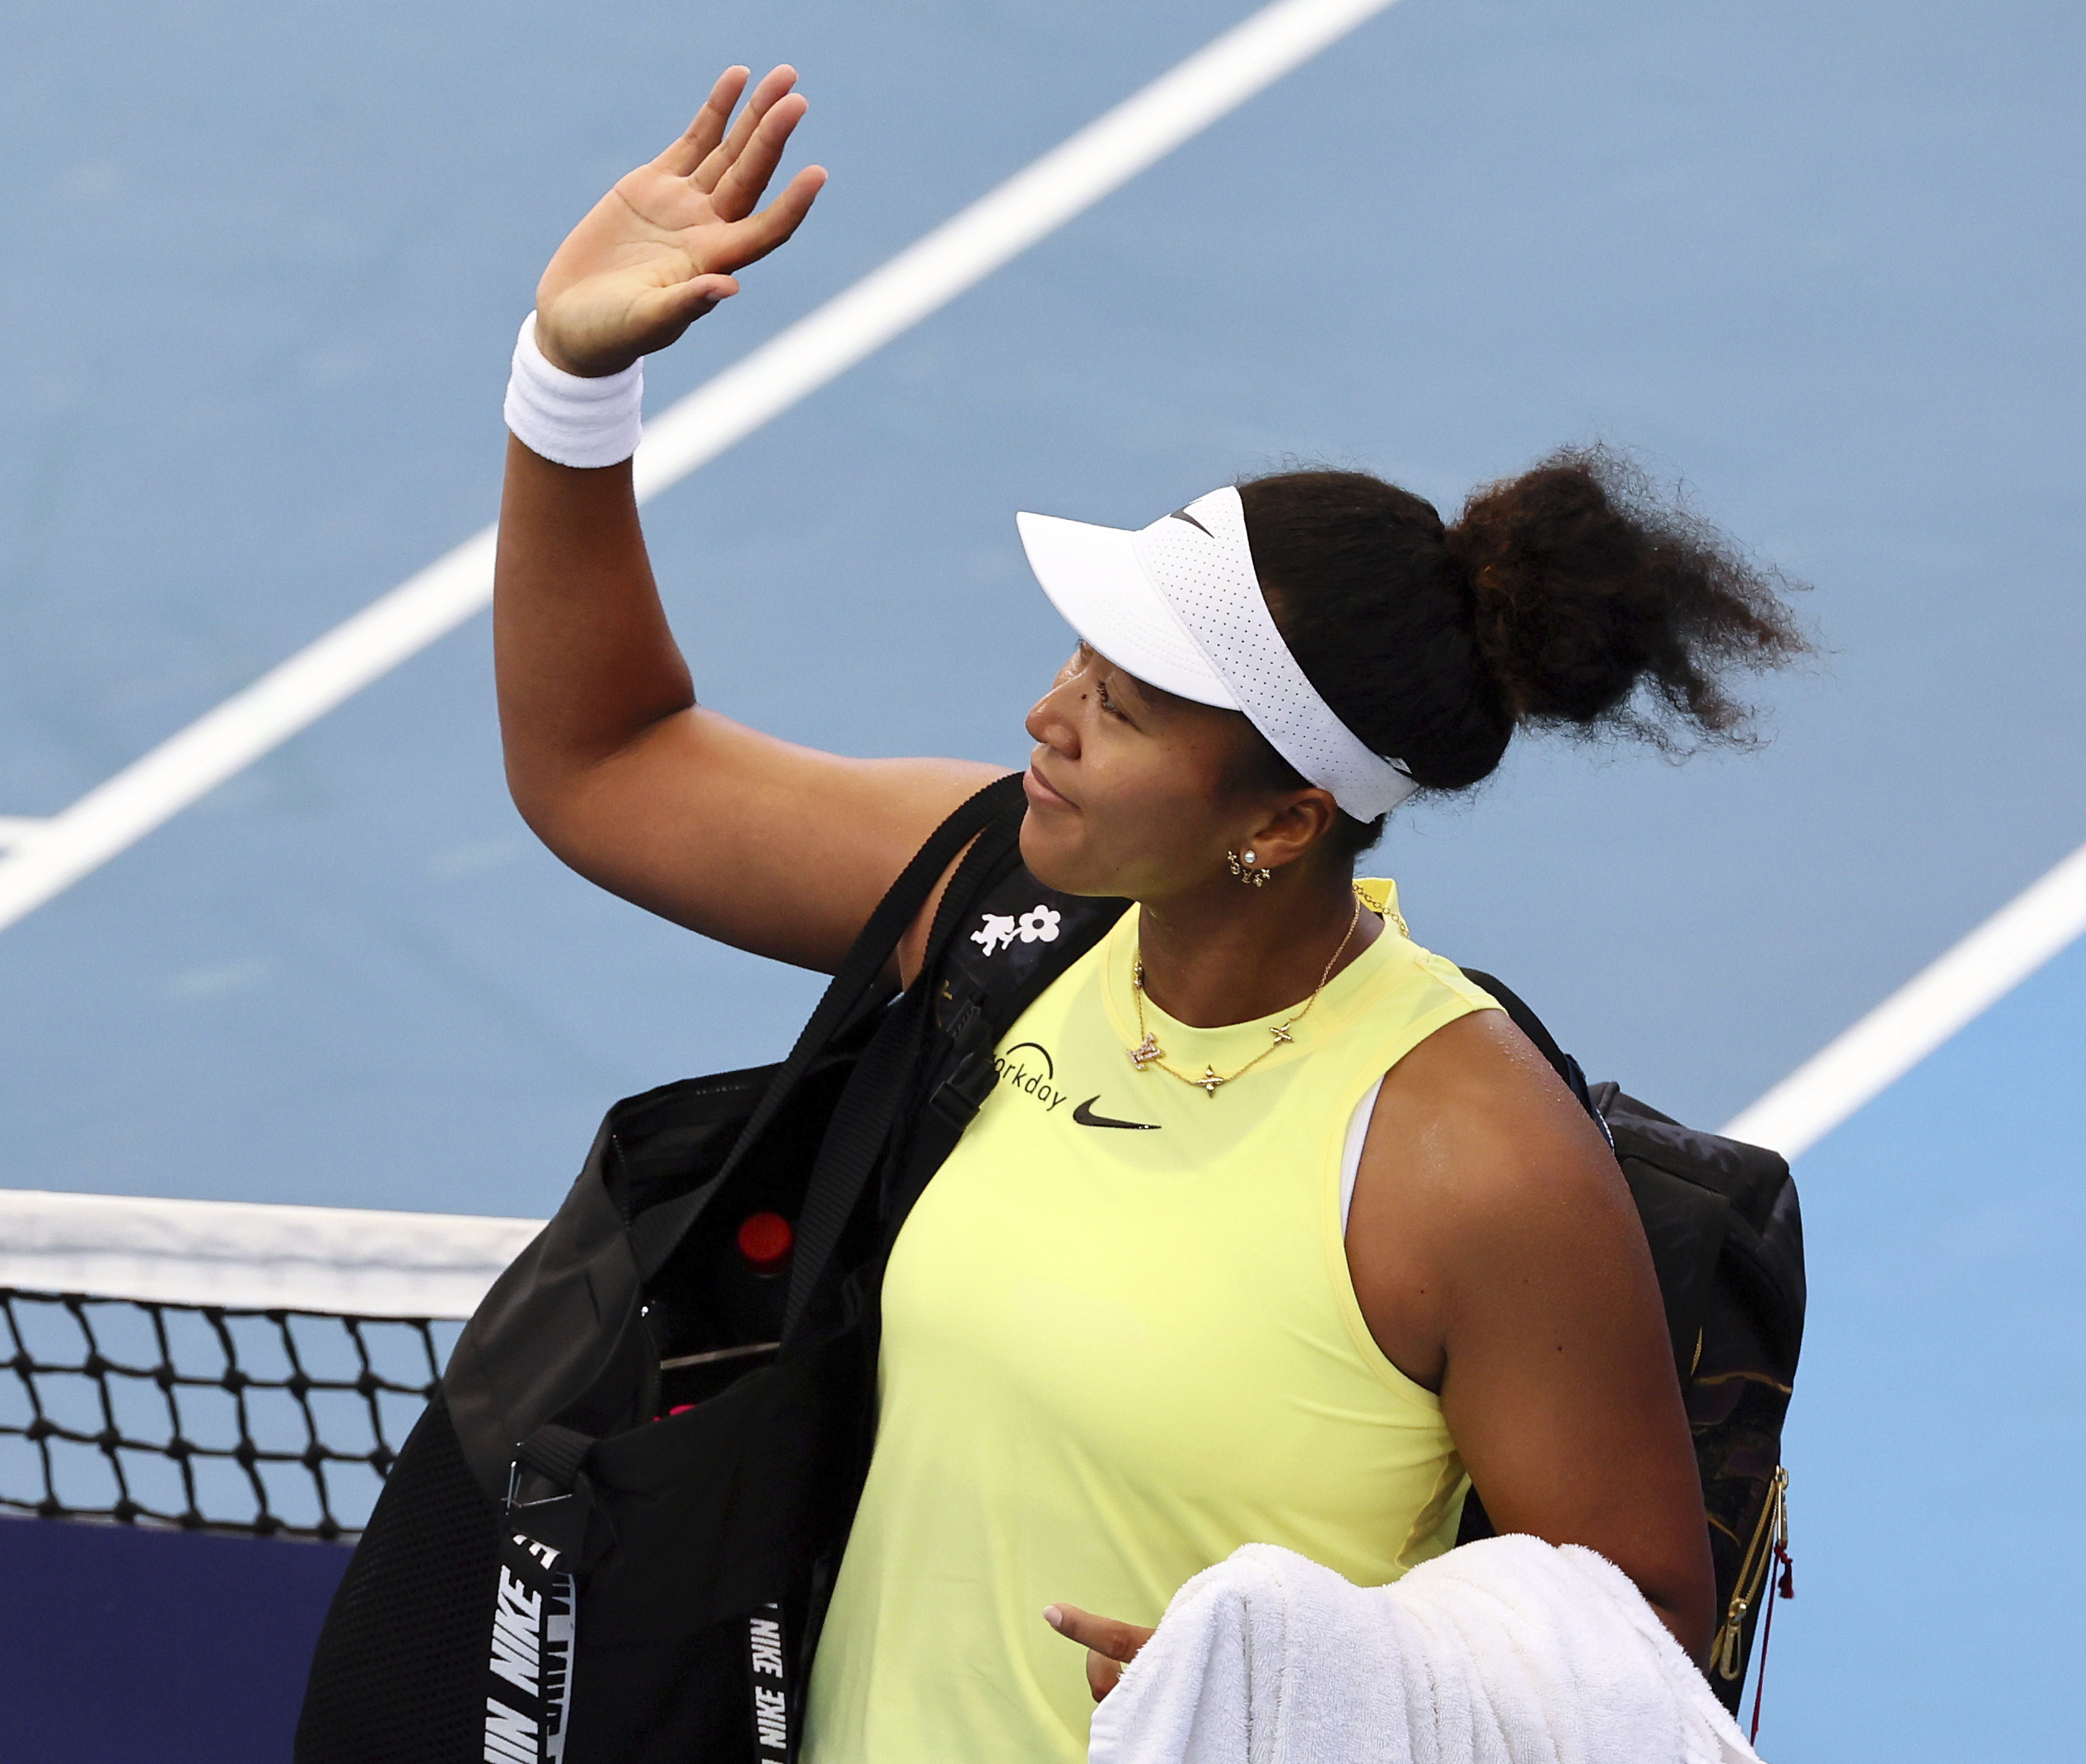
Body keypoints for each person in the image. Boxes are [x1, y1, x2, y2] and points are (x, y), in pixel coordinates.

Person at [493, 64, 1805, 1764]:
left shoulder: (1464, 1156)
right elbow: (604, 763)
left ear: (1279, 814)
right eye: (1077, 664)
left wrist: (1320, 1710)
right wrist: (570, 385)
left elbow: (1627, 1668)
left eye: (1120, 704)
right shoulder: (1001, 907)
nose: (1047, 715)